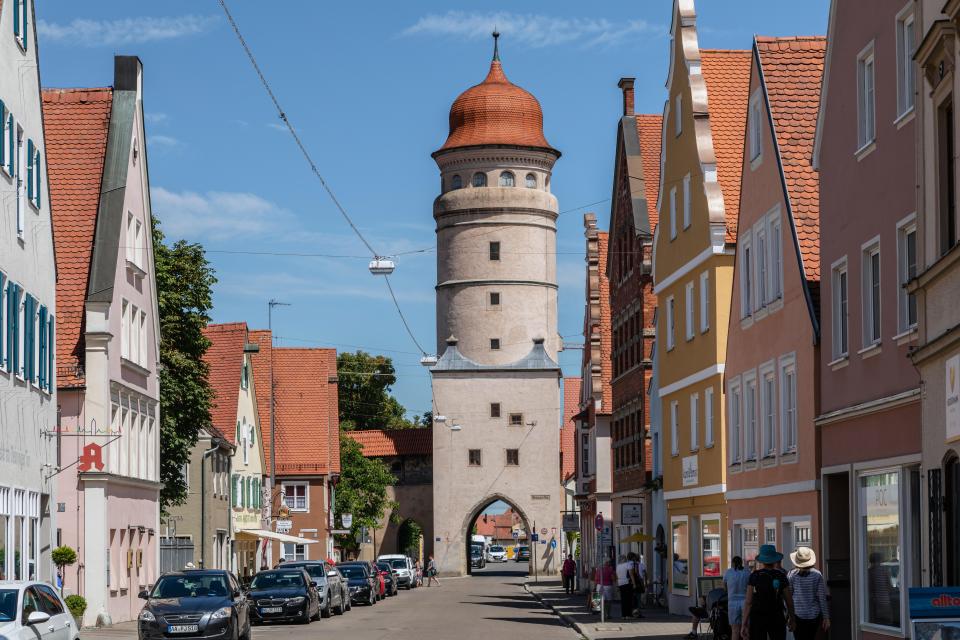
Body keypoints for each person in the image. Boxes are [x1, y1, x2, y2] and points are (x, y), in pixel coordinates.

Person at [741, 545, 795, 640]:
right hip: (777, 616)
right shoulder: (781, 575)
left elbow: (748, 602)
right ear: (775, 560)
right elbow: (789, 601)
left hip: (758, 617)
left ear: (761, 560)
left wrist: (744, 623)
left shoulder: (755, 575)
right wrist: (792, 619)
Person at [787, 547, 830, 640]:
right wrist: (826, 617)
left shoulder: (791, 575)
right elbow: (822, 597)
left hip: (797, 614)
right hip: (813, 615)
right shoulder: (817, 574)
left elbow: (788, 597)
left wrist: (789, 615)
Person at [724, 556, 750, 640]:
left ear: (733, 563)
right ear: (741, 563)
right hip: (745, 602)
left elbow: (725, 588)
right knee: (746, 629)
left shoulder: (728, 572)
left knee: (735, 630)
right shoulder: (747, 572)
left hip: (732, 602)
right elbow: (750, 587)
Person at [616, 555, 635, 619]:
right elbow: (631, 574)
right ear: (625, 559)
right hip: (627, 583)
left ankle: (623, 615)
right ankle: (628, 615)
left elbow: (617, 576)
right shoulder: (628, 565)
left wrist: (617, 585)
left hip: (620, 583)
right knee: (629, 600)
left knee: (623, 600)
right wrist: (634, 583)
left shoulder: (618, 566)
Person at [628, 552, 646, 618]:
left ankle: (633, 612)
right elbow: (637, 574)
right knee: (637, 598)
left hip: (629, 583)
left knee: (633, 598)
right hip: (637, 583)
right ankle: (637, 613)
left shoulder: (628, 564)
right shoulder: (636, 565)